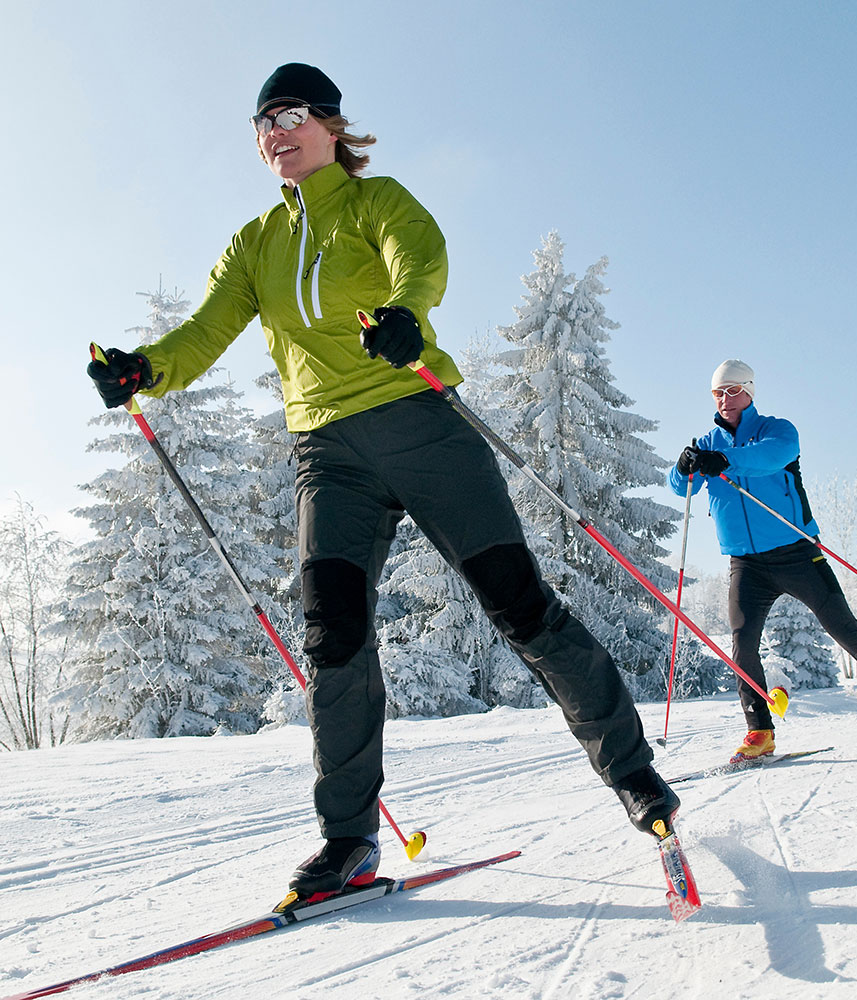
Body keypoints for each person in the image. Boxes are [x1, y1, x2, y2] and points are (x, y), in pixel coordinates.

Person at [88, 62, 677, 899]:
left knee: (519, 606)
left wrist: (404, 313)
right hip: (327, 454)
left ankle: (634, 777)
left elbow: (419, 259)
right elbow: (207, 329)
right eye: (261, 124)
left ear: (331, 124)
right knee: (334, 638)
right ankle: (348, 840)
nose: (274, 133)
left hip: (420, 422)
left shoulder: (375, 202)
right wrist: (144, 368)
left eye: (289, 115)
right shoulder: (255, 244)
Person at [668, 359, 857, 763]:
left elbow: (771, 457)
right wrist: (684, 466)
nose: (724, 399)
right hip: (745, 564)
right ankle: (759, 732)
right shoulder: (707, 441)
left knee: (845, 629)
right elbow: (680, 487)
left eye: (731, 390)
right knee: (742, 647)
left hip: (796, 552)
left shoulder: (777, 430)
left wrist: (725, 461)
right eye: (717, 392)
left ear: (749, 391)